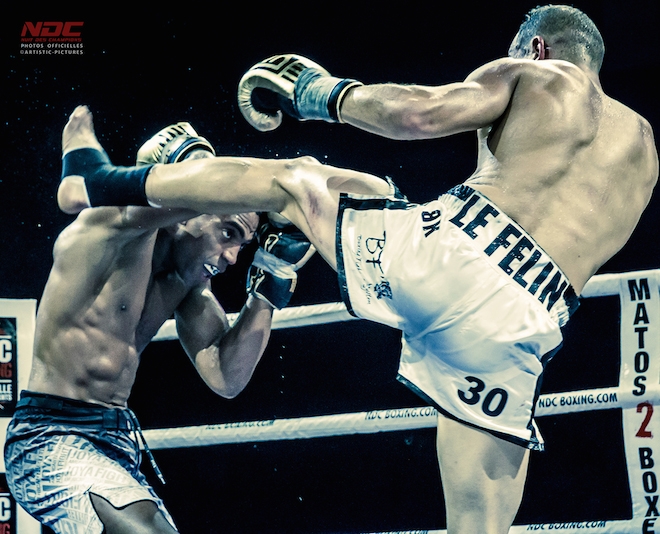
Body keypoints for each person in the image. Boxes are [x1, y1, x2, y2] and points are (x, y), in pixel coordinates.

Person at [55, 5, 658, 533]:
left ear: (537, 47)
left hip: (458, 255)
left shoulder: (538, 74)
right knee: (480, 526)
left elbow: (419, 115)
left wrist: (318, 92)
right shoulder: (645, 150)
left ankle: (99, 182)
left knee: (294, 180)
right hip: (529, 325)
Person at [4, 121, 314, 534]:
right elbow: (169, 191)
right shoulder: (108, 228)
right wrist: (288, 181)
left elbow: (226, 377)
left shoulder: (187, 285)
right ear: (181, 211)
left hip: (117, 443)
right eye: (227, 233)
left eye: (242, 244)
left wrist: (269, 285)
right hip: (51, 437)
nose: (233, 258)